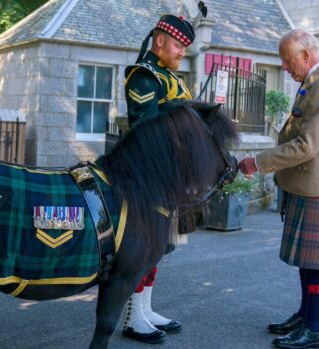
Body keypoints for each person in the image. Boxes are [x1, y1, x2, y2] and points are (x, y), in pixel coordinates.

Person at [239, 28, 319, 349]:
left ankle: (315, 328)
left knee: (316, 260)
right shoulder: (314, 81)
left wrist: (258, 162)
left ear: (306, 55)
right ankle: (305, 315)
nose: (285, 68)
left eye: (288, 61)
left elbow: (306, 145)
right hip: (307, 183)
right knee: (307, 258)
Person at [121, 14, 195, 344]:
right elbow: (146, 130)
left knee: (160, 247)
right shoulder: (143, 76)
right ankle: (132, 317)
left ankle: (146, 309)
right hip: (147, 175)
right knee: (146, 246)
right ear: (160, 41)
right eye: (178, 45)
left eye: (185, 47)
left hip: (169, 176)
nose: (182, 52)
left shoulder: (171, 79)